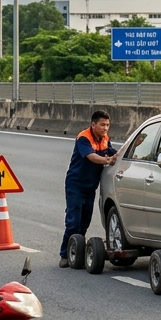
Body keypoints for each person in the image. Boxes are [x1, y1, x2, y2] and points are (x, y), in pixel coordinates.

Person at [61, 109, 119, 267]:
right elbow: (91, 156)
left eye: (107, 125)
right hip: (76, 184)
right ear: (93, 124)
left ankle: (77, 252)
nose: (105, 128)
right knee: (73, 221)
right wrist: (107, 160)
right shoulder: (84, 138)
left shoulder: (105, 138)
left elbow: (113, 152)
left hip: (90, 186)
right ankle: (65, 254)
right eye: (102, 125)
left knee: (85, 221)